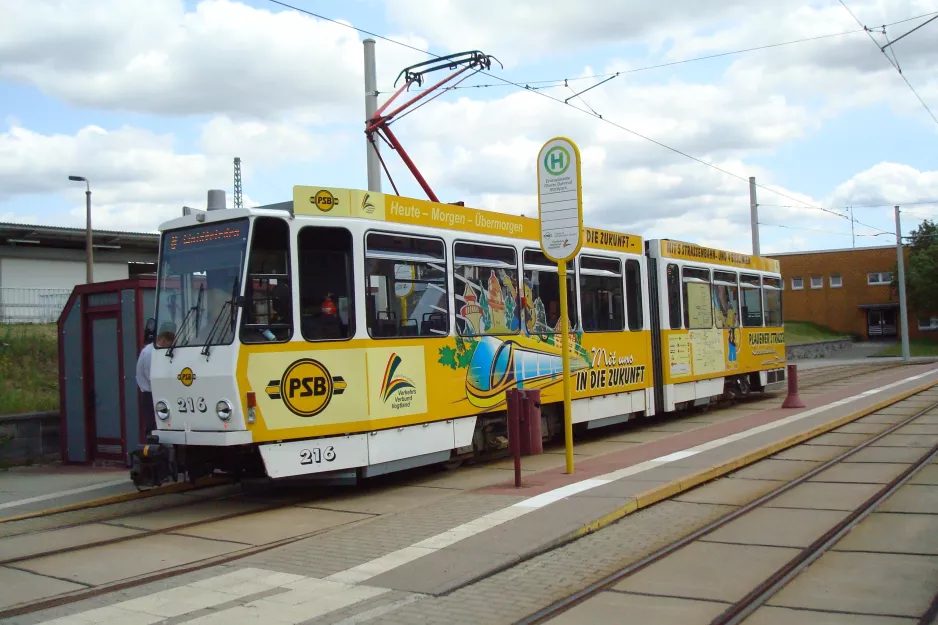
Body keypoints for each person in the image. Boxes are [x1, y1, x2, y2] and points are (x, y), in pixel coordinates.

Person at [136, 331, 174, 435]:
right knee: (153, 425)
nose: (170, 348)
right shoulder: (150, 353)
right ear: (163, 341)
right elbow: (151, 376)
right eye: (169, 345)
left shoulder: (153, 351)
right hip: (151, 394)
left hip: (155, 393)